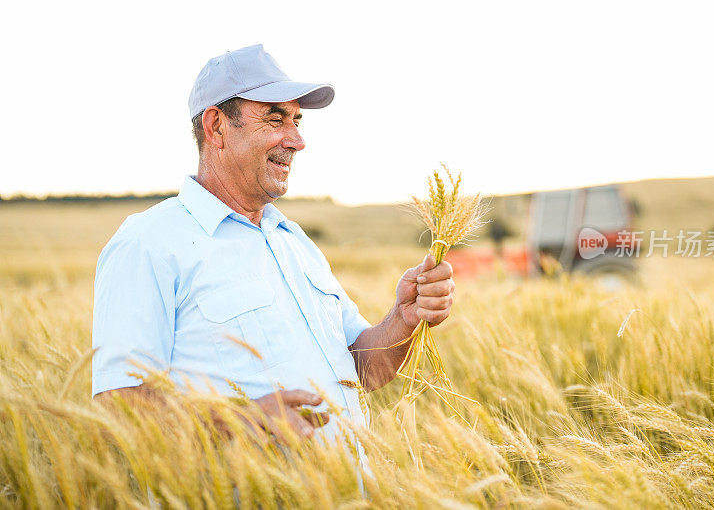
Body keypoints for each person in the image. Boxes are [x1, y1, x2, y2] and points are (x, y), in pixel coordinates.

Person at [91, 45, 455, 455]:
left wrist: (403, 320)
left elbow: (359, 369)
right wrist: (241, 421)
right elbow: (118, 408)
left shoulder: (293, 241)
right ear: (216, 127)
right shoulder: (149, 243)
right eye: (275, 118)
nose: (297, 140)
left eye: (296, 120)